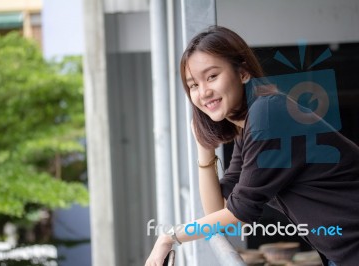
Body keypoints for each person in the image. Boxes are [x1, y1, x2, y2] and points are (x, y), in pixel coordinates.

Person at [145, 26, 359, 266]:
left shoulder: (268, 114)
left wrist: (170, 237)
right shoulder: (248, 127)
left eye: (212, 76)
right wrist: (205, 150)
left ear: (243, 72)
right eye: (193, 85)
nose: (203, 92)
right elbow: (219, 208)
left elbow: (239, 216)